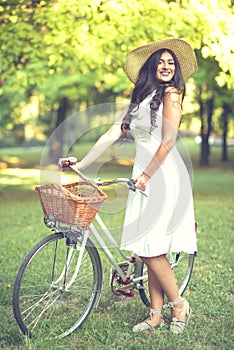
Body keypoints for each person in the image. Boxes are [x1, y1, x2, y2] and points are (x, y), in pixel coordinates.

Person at [63, 38, 198, 334]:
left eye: (171, 63)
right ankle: (155, 314)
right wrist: (81, 164)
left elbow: (169, 140)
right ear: (151, 66)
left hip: (163, 173)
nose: (165, 67)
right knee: (150, 246)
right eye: (161, 62)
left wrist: (148, 174)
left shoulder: (172, 94)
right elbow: (112, 132)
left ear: (175, 70)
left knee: (150, 249)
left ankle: (178, 304)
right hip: (144, 173)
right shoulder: (140, 96)